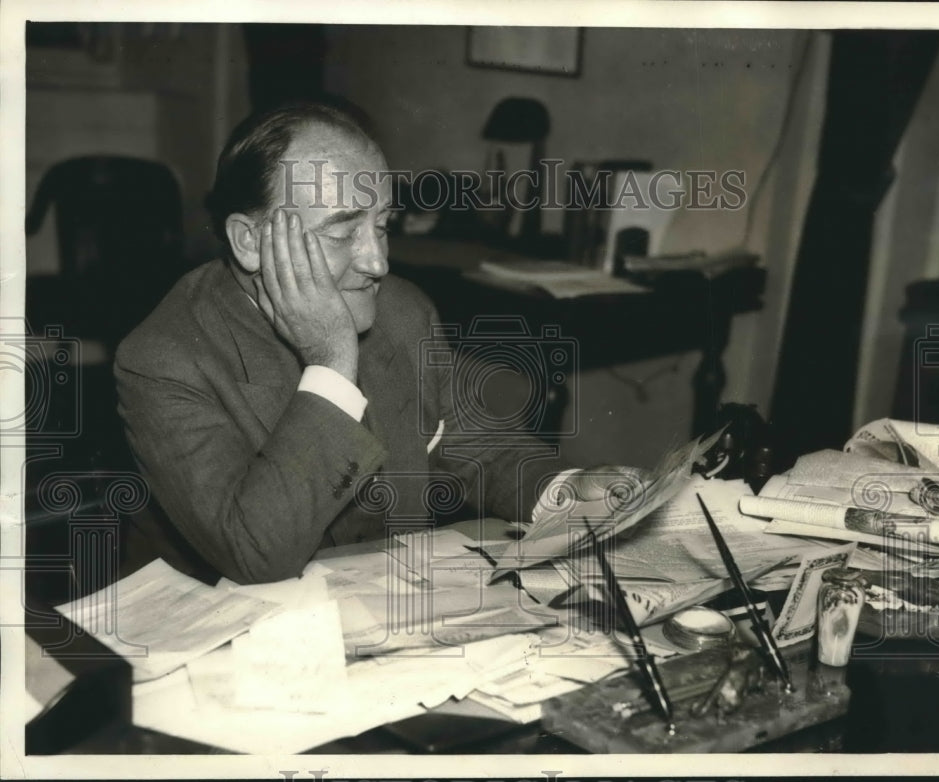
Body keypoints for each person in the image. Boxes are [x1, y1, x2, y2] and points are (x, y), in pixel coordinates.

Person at [115, 99, 635, 585]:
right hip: (225, 628)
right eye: (342, 234)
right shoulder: (163, 360)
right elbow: (255, 555)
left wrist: (569, 492)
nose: (377, 262)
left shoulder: (401, 311)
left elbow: (482, 449)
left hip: (383, 609)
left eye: (382, 225)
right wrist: (331, 362)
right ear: (250, 242)